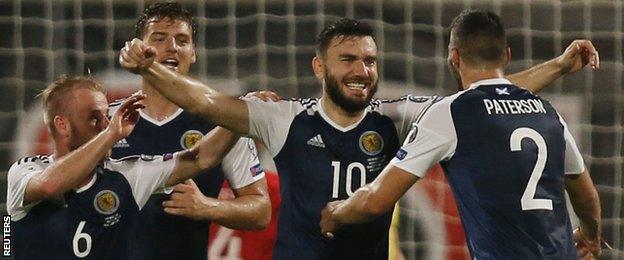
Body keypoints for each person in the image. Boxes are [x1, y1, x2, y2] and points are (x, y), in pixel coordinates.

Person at [119, 17, 598, 258]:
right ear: (319, 67)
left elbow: (479, 102)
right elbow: (204, 102)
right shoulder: (283, 118)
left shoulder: (397, 117)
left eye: (369, 61)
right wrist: (147, 69)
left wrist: (558, 66)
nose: (361, 71)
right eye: (348, 60)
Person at [319, 10, 602, 259]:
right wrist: (590, 235)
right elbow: (587, 197)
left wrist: (336, 213)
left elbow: (375, 199)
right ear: (507, 55)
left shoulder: (450, 114)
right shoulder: (547, 113)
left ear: (454, 58)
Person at [6, 75, 245, 259]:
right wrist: (110, 134)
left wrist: (245, 113)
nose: (106, 123)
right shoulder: (25, 171)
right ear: (62, 125)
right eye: (94, 118)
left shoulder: (126, 177)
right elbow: (50, 186)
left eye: (106, 116)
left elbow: (201, 158)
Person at [111, 2, 272, 259]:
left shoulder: (223, 125)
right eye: (159, 38)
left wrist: (207, 206)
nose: (172, 47)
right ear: (140, 47)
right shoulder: (109, 120)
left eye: (182, 40)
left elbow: (261, 209)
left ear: (193, 53)